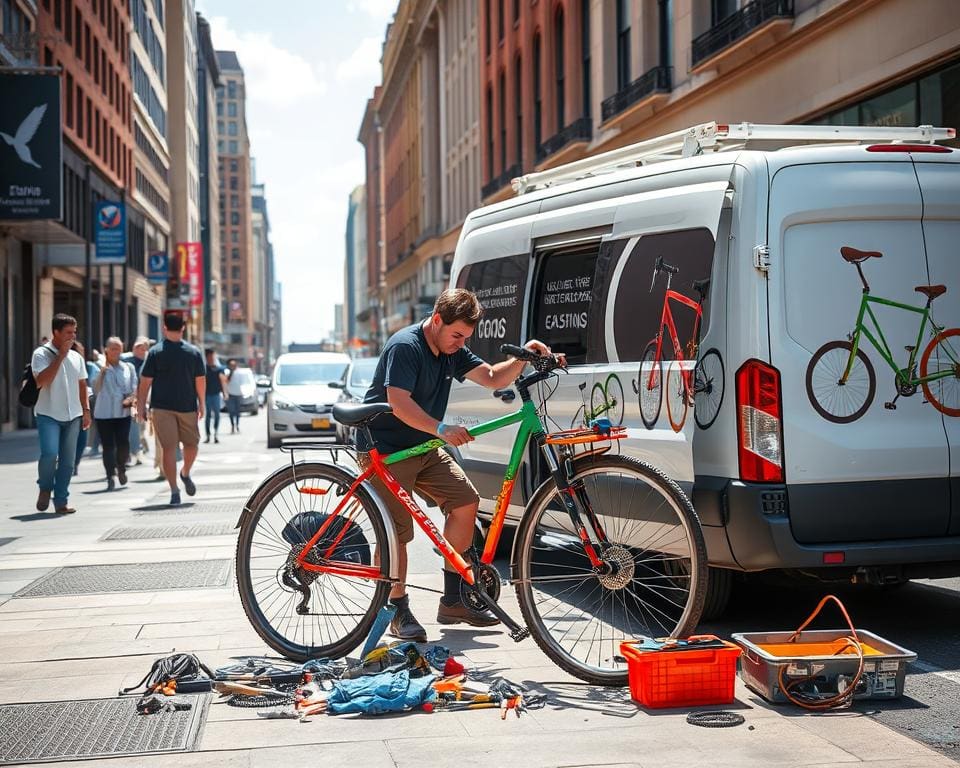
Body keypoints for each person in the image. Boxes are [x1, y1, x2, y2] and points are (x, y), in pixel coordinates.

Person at [356, 288, 557, 641]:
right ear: (437, 320)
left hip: (423, 445)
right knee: (397, 535)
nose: (460, 343)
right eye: (457, 335)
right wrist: (441, 428)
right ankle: (396, 608)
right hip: (386, 449)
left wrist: (525, 354)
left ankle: (453, 600)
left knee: (465, 502)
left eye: (466, 337)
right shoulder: (406, 346)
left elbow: (494, 377)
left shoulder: (451, 349)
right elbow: (398, 402)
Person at [137, 312, 206, 506]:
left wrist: (201, 403)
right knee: (169, 448)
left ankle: (185, 473)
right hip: (162, 409)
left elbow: (144, 383)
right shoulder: (156, 352)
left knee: (191, 445)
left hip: (187, 407)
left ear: (164, 327)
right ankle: (174, 490)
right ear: (183, 328)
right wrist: (142, 406)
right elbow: (146, 381)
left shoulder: (192, 352)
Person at [31, 313, 90, 515]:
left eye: (74, 332)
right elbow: (41, 381)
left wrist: (86, 410)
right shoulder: (41, 354)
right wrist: (60, 356)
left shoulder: (77, 357)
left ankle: (61, 500)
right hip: (48, 414)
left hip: (73, 415)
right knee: (49, 454)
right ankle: (45, 487)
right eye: (68, 333)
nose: (72, 337)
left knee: (67, 461)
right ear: (55, 332)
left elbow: (82, 384)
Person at [93, 337, 138, 491]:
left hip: (122, 412)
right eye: (112, 348)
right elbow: (95, 390)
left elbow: (134, 387)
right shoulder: (99, 366)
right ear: (106, 350)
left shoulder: (128, 367)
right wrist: (101, 373)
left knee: (123, 443)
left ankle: (121, 468)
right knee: (108, 446)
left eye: (118, 348)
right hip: (103, 413)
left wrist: (132, 399)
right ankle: (110, 476)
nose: (115, 351)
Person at [72, 342, 101, 475]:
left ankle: (75, 463)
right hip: (69, 407)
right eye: (80, 351)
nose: (82, 353)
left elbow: (95, 384)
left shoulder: (89, 367)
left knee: (82, 440)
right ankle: (69, 463)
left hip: (85, 405)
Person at [122, 336, 151, 465]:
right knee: (130, 427)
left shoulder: (149, 362)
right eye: (138, 347)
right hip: (127, 399)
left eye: (144, 348)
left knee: (139, 428)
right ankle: (131, 453)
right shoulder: (126, 360)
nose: (141, 350)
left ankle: (137, 451)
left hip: (142, 399)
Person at [203, 348, 229, 443]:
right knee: (208, 416)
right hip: (207, 395)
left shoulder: (220, 369)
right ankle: (208, 435)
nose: (211, 358)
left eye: (212, 357)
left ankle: (216, 434)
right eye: (209, 357)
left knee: (217, 415)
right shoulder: (204, 369)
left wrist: (225, 393)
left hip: (216, 395)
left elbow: (223, 382)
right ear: (206, 358)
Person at [224, 358, 242, 433]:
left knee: (238, 411)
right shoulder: (227, 372)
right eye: (231, 365)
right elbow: (226, 381)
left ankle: (237, 425)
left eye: (234, 365)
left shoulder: (239, 372)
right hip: (230, 394)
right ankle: (232, 425)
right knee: (231, 411)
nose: (233, 366)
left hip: (238, 394)